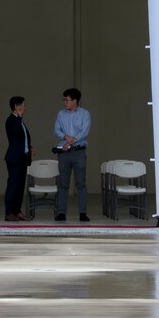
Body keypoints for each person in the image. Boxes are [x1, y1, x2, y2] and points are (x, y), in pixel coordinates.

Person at [53, 87, 91, 223]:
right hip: (64, 153)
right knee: (63, 184)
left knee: (81, 183)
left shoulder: (85, 114)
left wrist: (71, 141)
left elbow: (84, 131)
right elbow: (56, 129)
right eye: (64, 100)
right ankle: (61, 213)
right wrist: (65, 136)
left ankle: (82, 213)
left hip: (79, 152)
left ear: (75, 101)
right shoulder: (60, 114)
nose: (65, 102)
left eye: (67, 100)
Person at [3, 96, 31, 221]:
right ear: (17, 107)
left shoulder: (20, 121)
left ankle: (17, 211)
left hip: (23, 158)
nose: (24, 108)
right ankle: (9, 212)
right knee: (13, 185)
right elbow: (14, 132)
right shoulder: (11, 120)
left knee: (20, 187)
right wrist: (19, 117)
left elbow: (21, 139)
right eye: (23, 105)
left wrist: (29, 148)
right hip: (14, 159)